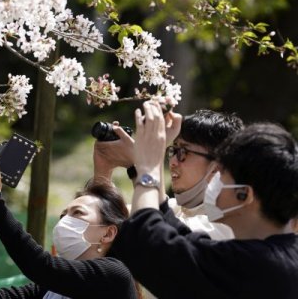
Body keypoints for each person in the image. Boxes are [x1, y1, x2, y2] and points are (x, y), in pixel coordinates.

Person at [109, 101, 298, 298]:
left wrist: (146, 170)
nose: (215, 179)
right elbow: (184, 241)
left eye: (222, 173)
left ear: (244, 194)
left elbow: (143, 242)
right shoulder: (278, 254)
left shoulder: (250, 266)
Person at [0, 161, 138, 299]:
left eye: (77, 213)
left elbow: (40, 266)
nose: (65, 222)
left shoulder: (116, 275)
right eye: (63, 216)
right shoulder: (49, 290)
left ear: (108, 233)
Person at [93, 109, 242, 240]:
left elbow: (154, 235)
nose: (172, 162)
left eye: (183, 152)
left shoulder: (227, 226)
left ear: (217, 167)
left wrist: (142, 163)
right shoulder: (177, 208)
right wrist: (104, 168)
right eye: (173, 151)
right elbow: (101, 223)